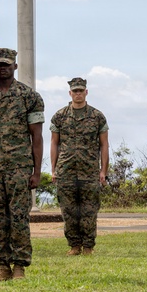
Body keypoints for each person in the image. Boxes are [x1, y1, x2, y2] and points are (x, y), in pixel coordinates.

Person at [0, 48, 44, 281]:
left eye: (7, 64)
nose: (2, 68)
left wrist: (36, 172)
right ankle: (2, 265)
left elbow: (37, 137)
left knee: (19, 217)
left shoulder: (29, 96)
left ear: (15, 66)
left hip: (19, 167)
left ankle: (20, 266)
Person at [49, 77, 109, 255]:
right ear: (70, 93)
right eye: (75, 91)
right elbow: (54, 143)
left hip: (89, 171)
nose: (78, 94)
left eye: (81, 91)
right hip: (66, 170)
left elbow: (104, 145)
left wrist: (103, 170)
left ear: (86, 92)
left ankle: (88, 246)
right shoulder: (60, 116)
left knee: (89, 211)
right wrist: (54, 169)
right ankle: (74, 245)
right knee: (68, 210)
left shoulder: (97, 116)